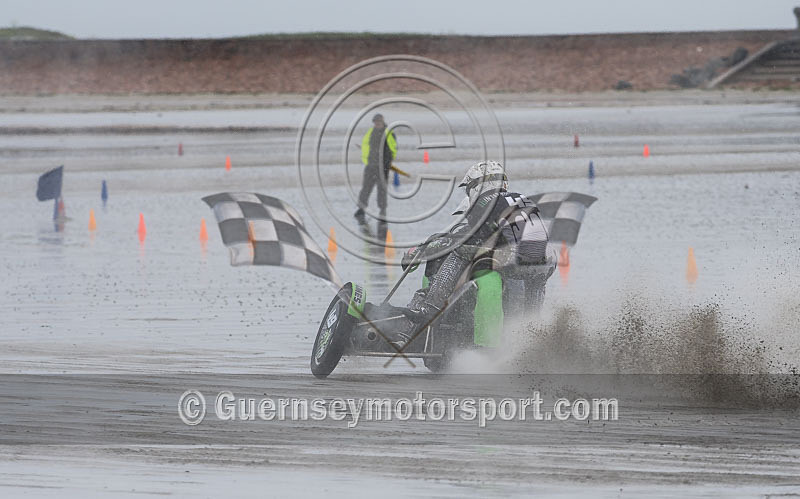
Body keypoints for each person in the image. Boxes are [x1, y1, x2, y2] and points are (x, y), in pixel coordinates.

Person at [401, 160, 549, 331]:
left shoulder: (485, 202)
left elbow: (467, 239)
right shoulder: (521, 198)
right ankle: (533, 330)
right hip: (544, 260)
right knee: (532, 294)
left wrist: (421, 251)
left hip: (514, 257)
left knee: (459, 251)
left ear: (478, 184)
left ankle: (430, 307)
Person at [354, 114, 397, 222]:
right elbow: (366, 146)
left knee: (381, 190)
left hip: (383, 167)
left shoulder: (389, 133)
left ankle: (382, 212)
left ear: (382, 122)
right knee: (365, 188)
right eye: (375, 122)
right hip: (370, 165)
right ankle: (361, 209)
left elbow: (393, 150)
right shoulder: (370, 132)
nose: (377, 123)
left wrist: (387, 164)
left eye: (379, 122)